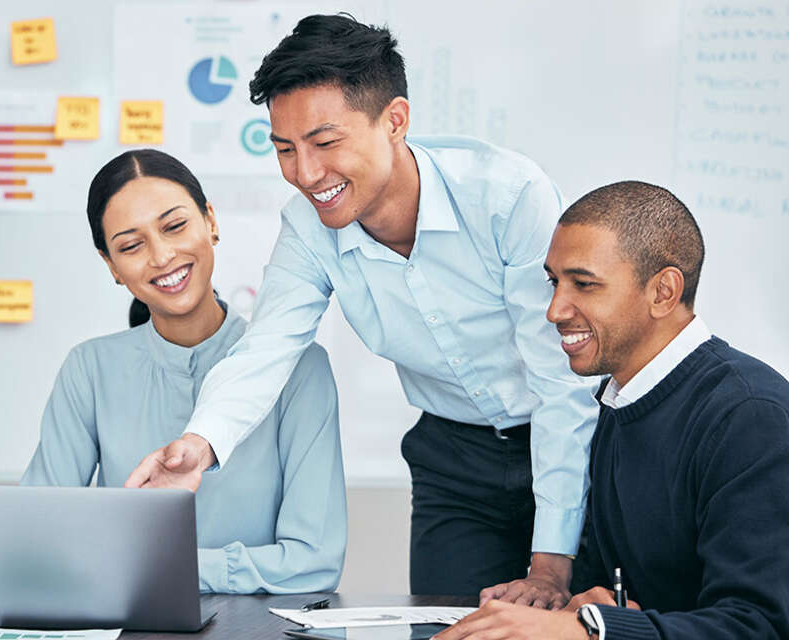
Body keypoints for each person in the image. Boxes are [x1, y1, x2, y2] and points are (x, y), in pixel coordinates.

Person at [125, 14, 600, 603]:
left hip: (574, 440)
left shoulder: (506, 197)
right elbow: (268, 348)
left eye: (325, 143)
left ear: (395, 120)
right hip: (454, 457)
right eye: (285, 149)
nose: (306, 173)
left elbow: (560, 381)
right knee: (445, 625)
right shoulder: (308, 227)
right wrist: (199, 445)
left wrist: (551, 564)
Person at [436, 182, 789, 639]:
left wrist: (591, 630)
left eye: (583, 284)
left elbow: (760, 625)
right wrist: (581, 606)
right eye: (554, 282)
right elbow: (616, 597)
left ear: (663, 291)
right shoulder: (618, 402)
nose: (554, 309)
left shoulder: (750, 417)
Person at [20, 149, 346, 594]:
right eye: (131, 245)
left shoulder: (301, 369)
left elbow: (314, 562)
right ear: (111, 266)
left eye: (174, 226)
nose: (161, 255)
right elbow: (36, 533)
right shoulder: (90, 370)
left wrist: (158, 569)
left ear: (210, 220)